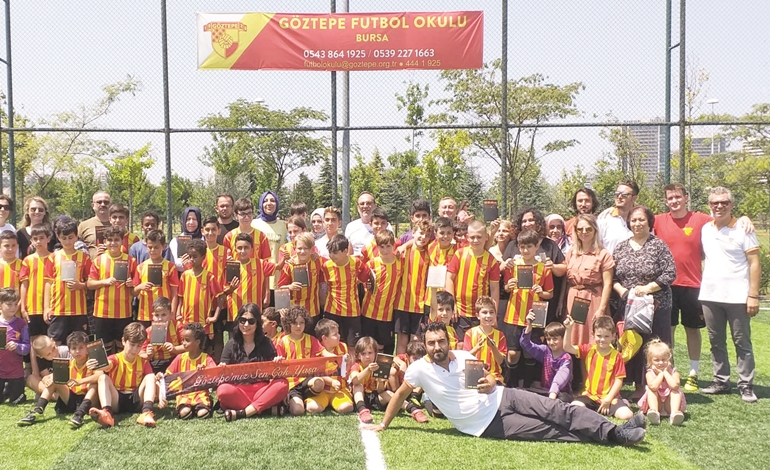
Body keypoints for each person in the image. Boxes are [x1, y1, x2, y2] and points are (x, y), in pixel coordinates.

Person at [367, 322, 646, 445]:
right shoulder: (419, 369)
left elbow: (488, 376)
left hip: (503, 396)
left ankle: (615, 432)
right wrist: (384, 423)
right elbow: (400, 394)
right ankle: (606, 435)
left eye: (441, 341)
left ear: (448, 341)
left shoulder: (463, 356)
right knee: (549, 431)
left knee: (557, 410)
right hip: (485, 424)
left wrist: (490, 383)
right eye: (431, 343)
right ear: (425, 345)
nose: (437, 346)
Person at [654, 182, 754, 391]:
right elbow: (636, 220)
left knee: (693, 330)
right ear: (666, 201)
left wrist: (744, 218)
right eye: (670, 198)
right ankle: (669, 372)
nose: (674, 201)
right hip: (666, 286)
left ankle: (693, 373)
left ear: (686, 198)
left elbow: (726, 218)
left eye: (678, 197)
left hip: (694, 286)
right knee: (667, 331)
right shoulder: (658, 220)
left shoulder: (701, 220)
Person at [699, 187, 760, 403]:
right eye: (715, 203)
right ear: (709, 206)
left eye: (724, 202)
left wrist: (753, 295)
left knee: (742, 342)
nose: (719, 206)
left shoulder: (744, 228)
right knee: (716, 341)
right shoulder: (706, 229)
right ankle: (721, 381)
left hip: (738, 297)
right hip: (710, 295)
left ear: (732, 205)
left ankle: (746, 385)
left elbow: (754, 263)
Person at [612, 205, 676, 399]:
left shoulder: (658, 245)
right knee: (632, 345)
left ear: (649, 223)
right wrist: (623, 292)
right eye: (633, 220)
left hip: (656, 306)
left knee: (654, 345)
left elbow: (670, 273)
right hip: (630, 307)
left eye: (641, 220)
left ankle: (661, 390)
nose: (637, 223)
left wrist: (648, 288)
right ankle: (638, 388)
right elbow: (613, 277)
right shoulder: (621, 247)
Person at [216, 303, 290, 421]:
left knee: (282, 384)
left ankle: (243, 413)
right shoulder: (231, 344)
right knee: (223, 390)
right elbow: (222, 375)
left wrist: (277, 363)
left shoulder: (266, 343)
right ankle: (263, 408)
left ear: (257, 323)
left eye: (251, 321)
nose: (246, 325)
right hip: (239, 390)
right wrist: (222, 368)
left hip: (261, 390)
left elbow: (275, 373)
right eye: (242, 320)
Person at [501, 229, 554, 387]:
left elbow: (550, 294)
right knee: (513, 353)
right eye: (522, 247)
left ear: (536, 246)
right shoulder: (512, 266)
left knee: (529, 352)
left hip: (534, 316)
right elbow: (506, 288)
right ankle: (511, 384)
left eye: (529, 246)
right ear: (518, 247)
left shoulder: (544, 269)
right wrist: (508, 286)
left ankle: (528, 385)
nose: (525, 250)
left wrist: (541, 292)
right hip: (513, 315)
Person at [17, 331, 100, 428]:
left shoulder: (92, 360)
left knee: (94, 384)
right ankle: (38, 410)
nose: (77, 351)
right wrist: (50, 379)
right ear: (70, 351)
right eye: (74, 349)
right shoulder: (70, 363)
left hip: (89, 400)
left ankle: (79, 415)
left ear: (87, 348)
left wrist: (80, 382)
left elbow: (100, 376)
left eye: (81, 348)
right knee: (54, 380)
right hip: (71, 397)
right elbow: (49, 376)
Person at [88, 322, 159, 428]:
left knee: (151, 376)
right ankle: (107, 413)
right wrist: (96, 365)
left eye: (138, 346)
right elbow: (108, 365)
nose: (135, 349)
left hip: (136, 399)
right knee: (103, 378)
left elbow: (151, 382)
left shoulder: (143, 361)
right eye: (132, 345)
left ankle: (146, 412)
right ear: (123, 341)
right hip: (117, 399)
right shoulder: (115, 358)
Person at [502, 208, 566, 325]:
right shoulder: (513, 244)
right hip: (516, 308)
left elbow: (564, 269)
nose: (527, 223)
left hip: (540, 307)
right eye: (524, 221)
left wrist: (552, 266)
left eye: (531, 220)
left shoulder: (549, 245)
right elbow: (502, 269)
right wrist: (505, 264)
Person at [564, 315, 634, 420]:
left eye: (606, 336)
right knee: (574, 408)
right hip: (590, 396)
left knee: (626, 415)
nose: (602, 339)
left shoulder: (617, 356)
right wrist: (568, 329)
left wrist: (608, 399)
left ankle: (622, 403)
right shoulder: (588, 350)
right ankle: (593, 408)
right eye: (599, 336)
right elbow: (567, 347)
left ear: (613, 336)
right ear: (593, 335)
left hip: (610, 398)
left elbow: (619, 381)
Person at [565, 214, 614, 346]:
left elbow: (608, 284)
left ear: (595, 230)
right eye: (580, 229)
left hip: (593, 299)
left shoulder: (603, 254)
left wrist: (601, 309)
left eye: (588, 229)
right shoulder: (571, 252)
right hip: (573, 299)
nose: (584, 232)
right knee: (574, 338)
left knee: (593, 337)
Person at [87, 226, 137, 355]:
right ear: (105, 242)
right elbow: (90, 284)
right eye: (110, 240)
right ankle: (105, 367)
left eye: (116, 240)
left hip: (124, 312)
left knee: (122, 345)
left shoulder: (131, 261)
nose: (113, 243)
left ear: (122, 241)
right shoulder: (98, 260)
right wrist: (104, 281)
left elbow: (135, 290)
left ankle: (120, 367)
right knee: (103, 347)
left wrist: (131, 284)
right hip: (102, 312)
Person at [446, 220, 500, 338]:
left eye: (479, 237)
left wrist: (493, 313)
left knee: (479, 342)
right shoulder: (460, 254)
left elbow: (495, 289)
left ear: (486, 237)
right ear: (467, 237)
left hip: (481, 312)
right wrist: (452, 304)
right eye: (472, 237)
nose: (475, 240)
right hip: (460, 311)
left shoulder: (492, 261)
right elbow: (449, 278)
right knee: (460, 344)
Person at [44, 218, 92, 344]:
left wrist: (80, 285)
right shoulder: (53, 257)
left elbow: (91, 282)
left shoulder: (84, 257)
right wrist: (46, 308)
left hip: (79, 310)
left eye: (70, 237)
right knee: (55, 343)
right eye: (64, 238)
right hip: (58, 309)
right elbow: (48, 283)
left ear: (76, 236)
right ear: (58, 237)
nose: (67, 241)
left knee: (79, 343)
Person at [221, 233, 280, 332]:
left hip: (254, 312)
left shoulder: (260, 264)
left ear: (252, 249)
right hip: (235, 312)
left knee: (254, 338)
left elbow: (279, 267)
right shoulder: (230, 266)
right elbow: (224, 292)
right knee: (235, 338)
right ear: (235, 249)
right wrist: (231, 288)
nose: (243, 251)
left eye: (246, 248)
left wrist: (286, 258)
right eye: (239, 248)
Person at [274, 306, 327, 416]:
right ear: (289, 323)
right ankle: (290, 401)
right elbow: (278, 366)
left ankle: (306, 399)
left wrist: (339, 357)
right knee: (298, 411)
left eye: (301, 322)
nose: (298, 326)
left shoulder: (311, 339)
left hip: (307, 379)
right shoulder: (282, 341)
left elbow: (325, 353)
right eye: (295, 323)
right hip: (291, 383)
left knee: (319, 383)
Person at [320, 235, 371, 347]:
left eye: (335, 253)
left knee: (352, 345)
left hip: (352, 311)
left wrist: (360, 281)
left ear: (345, 251)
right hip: (332, 310)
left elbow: (365, 272)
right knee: (331, 343)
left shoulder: (356, 262)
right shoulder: (326, 266)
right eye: (330, 252)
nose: (331, 255)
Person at [162, 322, 217, 419]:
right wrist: (160, 376)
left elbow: (215, 373)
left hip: (200, 393)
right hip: (183, 394)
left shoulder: (206, 358)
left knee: (202, 413)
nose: (183, 343)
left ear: (197, 342)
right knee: (185, 413)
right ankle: (186, 407)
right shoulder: (180, 358)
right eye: (183, 339)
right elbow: (168, 375)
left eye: (187, 340)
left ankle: (206, 404)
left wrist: (205, 370)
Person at [361, 230, 402, 354]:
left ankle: (383, 367)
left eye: (388, 246)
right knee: (368, 346)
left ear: (393, 245)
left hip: (387, 314)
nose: (385, 250)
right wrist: (366, 285)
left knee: (384, 348)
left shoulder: (400, 263)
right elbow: (362, 281)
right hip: (369, 311)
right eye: (382, 247)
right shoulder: (371, 264)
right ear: (377, 247)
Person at [394, 221, 432, 354]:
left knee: (416, 341)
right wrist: (405, 245)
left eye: (427, 235)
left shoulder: (429, 253)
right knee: (402, 340)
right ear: (413, 233)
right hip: (401, 303)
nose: (423, 237)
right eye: (421, 233)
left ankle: (414, 365)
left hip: (419, 305)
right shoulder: (403, 251)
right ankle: (400, 366)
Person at [177, 239, 222, 345]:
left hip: (204, 325)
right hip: (187, 323)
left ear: (203, 257)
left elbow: (221, 297)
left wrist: (215, 317)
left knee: (203, 349)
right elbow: (181, 297)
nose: (191, 259)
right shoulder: (185, 275)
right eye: (190, 256)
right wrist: (178, 313)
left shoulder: (209, 277)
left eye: (195, 256)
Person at [305, 318, 354, 415]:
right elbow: (316, 373)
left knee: (346, 408)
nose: (339, 336)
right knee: (313, 408)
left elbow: (346, 371)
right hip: (322, 390)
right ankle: (323, 401)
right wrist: (331, 382)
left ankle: (335, 402)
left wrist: (347, 364)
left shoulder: (343, 347)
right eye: (335, 334)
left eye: (338, 333)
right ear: (324, 338)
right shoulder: (316, 350)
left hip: (339, 389)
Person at [520, 313, 573, 402]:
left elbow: (560, 378)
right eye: (548, 339)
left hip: (561, 393)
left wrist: (551, 397)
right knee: (522, 392)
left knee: (562, 400)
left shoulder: (566, 358)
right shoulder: (545, 351)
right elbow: (526, 344)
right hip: (545, 391)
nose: (551, 342)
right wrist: (529, 326)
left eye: (555, 339)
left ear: (563, 338)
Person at [133, 230, 179, 326]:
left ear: (163, 247)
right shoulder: (140, 267)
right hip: (145, 314)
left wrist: (172, 313)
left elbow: (174, 292)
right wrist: (140, 287)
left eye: (156, 247)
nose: (153, 250)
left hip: (164, 314)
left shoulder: (170, 267)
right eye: (150, 247)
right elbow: (133, 292)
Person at [278, 232, 323, 332]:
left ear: (312, 249)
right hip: (294, 312)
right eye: (299, 248)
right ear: (294, 248)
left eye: (306, 248)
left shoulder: (317, 261)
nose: (302, 251)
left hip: (313, 310)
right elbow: (280, 287)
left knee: (311, 339)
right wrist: (289, 286)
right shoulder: (289, 265)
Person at [637, 339, 685, 425]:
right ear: (650, 361)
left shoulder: (674, 372)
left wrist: (665, 372)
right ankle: (654, 413)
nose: (661, 363)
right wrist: (660, 374)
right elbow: (653, 386)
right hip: (656, 403)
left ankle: (674, 414)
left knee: (675, 391)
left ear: (669, 360)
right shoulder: (649, 373)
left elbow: (675, 385)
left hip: (669, 404)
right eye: (656, 360)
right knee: (651, 391)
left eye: (664, 359)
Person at [252, 191, 288, 305]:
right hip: (261, 277)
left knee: (281, 311)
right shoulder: (254, 224)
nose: (269, 203)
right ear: (261, 204)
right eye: (265, 201)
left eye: (272, 200)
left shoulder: (284, 225)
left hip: (280, 278)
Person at [350, 336, 395, 424]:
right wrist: (368, 370)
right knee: (358, 386)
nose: (367, 356)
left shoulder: (378, 366)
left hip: (374, 397)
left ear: (375, 354)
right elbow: (354, 381)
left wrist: (380, 381)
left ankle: (412, 408)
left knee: (389, 394)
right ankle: (362, 410)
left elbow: (380, 391)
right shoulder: (356, 365)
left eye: (370, 353)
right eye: (363, 353)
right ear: (358, 355)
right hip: (360, 398)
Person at [463, 296, 507, 384]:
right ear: (477, 316)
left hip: (495, 377)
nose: (488, 315)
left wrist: (494, 348)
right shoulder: (470, 333)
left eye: (491, 312)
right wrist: (476, 349)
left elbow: (501, 361)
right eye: (484, 312)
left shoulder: (500, 335)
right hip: (474, 375)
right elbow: (464, 359)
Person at [20, 224, 52, 339]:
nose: (38, 241)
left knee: (50, 338)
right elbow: (24, 284)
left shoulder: (54, 258)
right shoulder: (27, 260)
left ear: (48, 239)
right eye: (35, 239)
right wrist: (23, 308)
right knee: (34, 339)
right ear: (31, 241)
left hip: (51, 307)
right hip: (32, 307)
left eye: (42, 238)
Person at [0, 288, 30, 405]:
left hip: (15, 372)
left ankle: (9, 389)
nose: (13, 308)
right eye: (9, 304)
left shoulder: (21, 323)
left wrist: (17, 346)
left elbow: (26, 347)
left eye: (15, 304)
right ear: (1, 304)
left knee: (17, 400)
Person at [141, 297, 184, 374]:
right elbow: (141, 354)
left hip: (174, 361)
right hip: (156, 363)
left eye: (163, 315)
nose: (160, 319)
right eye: (157, 315)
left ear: (170, 314)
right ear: (152, 316)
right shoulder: (148, 331)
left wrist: (175, 349)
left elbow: (188, 346)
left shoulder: (177, 326)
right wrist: (148, 355)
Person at [597, 180, 638, 255]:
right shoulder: (604, 219)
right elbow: (596, 248)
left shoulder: (640, 221)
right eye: (617, 194)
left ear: (634, 198)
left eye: (624, 194)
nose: (619, 197)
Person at [345, 192, 385, 256]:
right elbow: (347, 252)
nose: (365, 206)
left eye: (369, 203)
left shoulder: (385, 225)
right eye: (362, 204)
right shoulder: (351, 227)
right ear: (357, 207)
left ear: (375, 206)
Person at [78, 191, 111, 259]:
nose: (103, 204)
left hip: (113, 264)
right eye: (99, 202)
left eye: (106, 202)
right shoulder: (83, 225)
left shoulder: (117, 225)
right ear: (93, 205)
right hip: (90, 264)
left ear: (110, 205)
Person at [169, 207, 203, 273]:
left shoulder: (205, 239)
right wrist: (183, 263)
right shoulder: (175, 242)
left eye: (194, 219)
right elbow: (172, 264)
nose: (191, 222)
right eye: (188, 219)